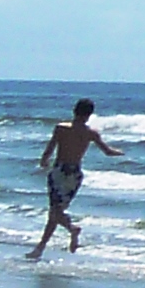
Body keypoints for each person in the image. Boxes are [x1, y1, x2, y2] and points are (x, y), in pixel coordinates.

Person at [24, 99, 124, 260]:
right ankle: (40, 249)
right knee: (56, 212)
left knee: (55, 212)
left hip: (59, 171)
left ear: (74, 111)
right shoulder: (91, 133)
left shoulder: (61, 128)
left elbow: (50, 148)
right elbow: (108, 152)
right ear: (90, 114)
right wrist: (121, 152)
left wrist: (44, 161)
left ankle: (71, 228)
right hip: (75, 173)